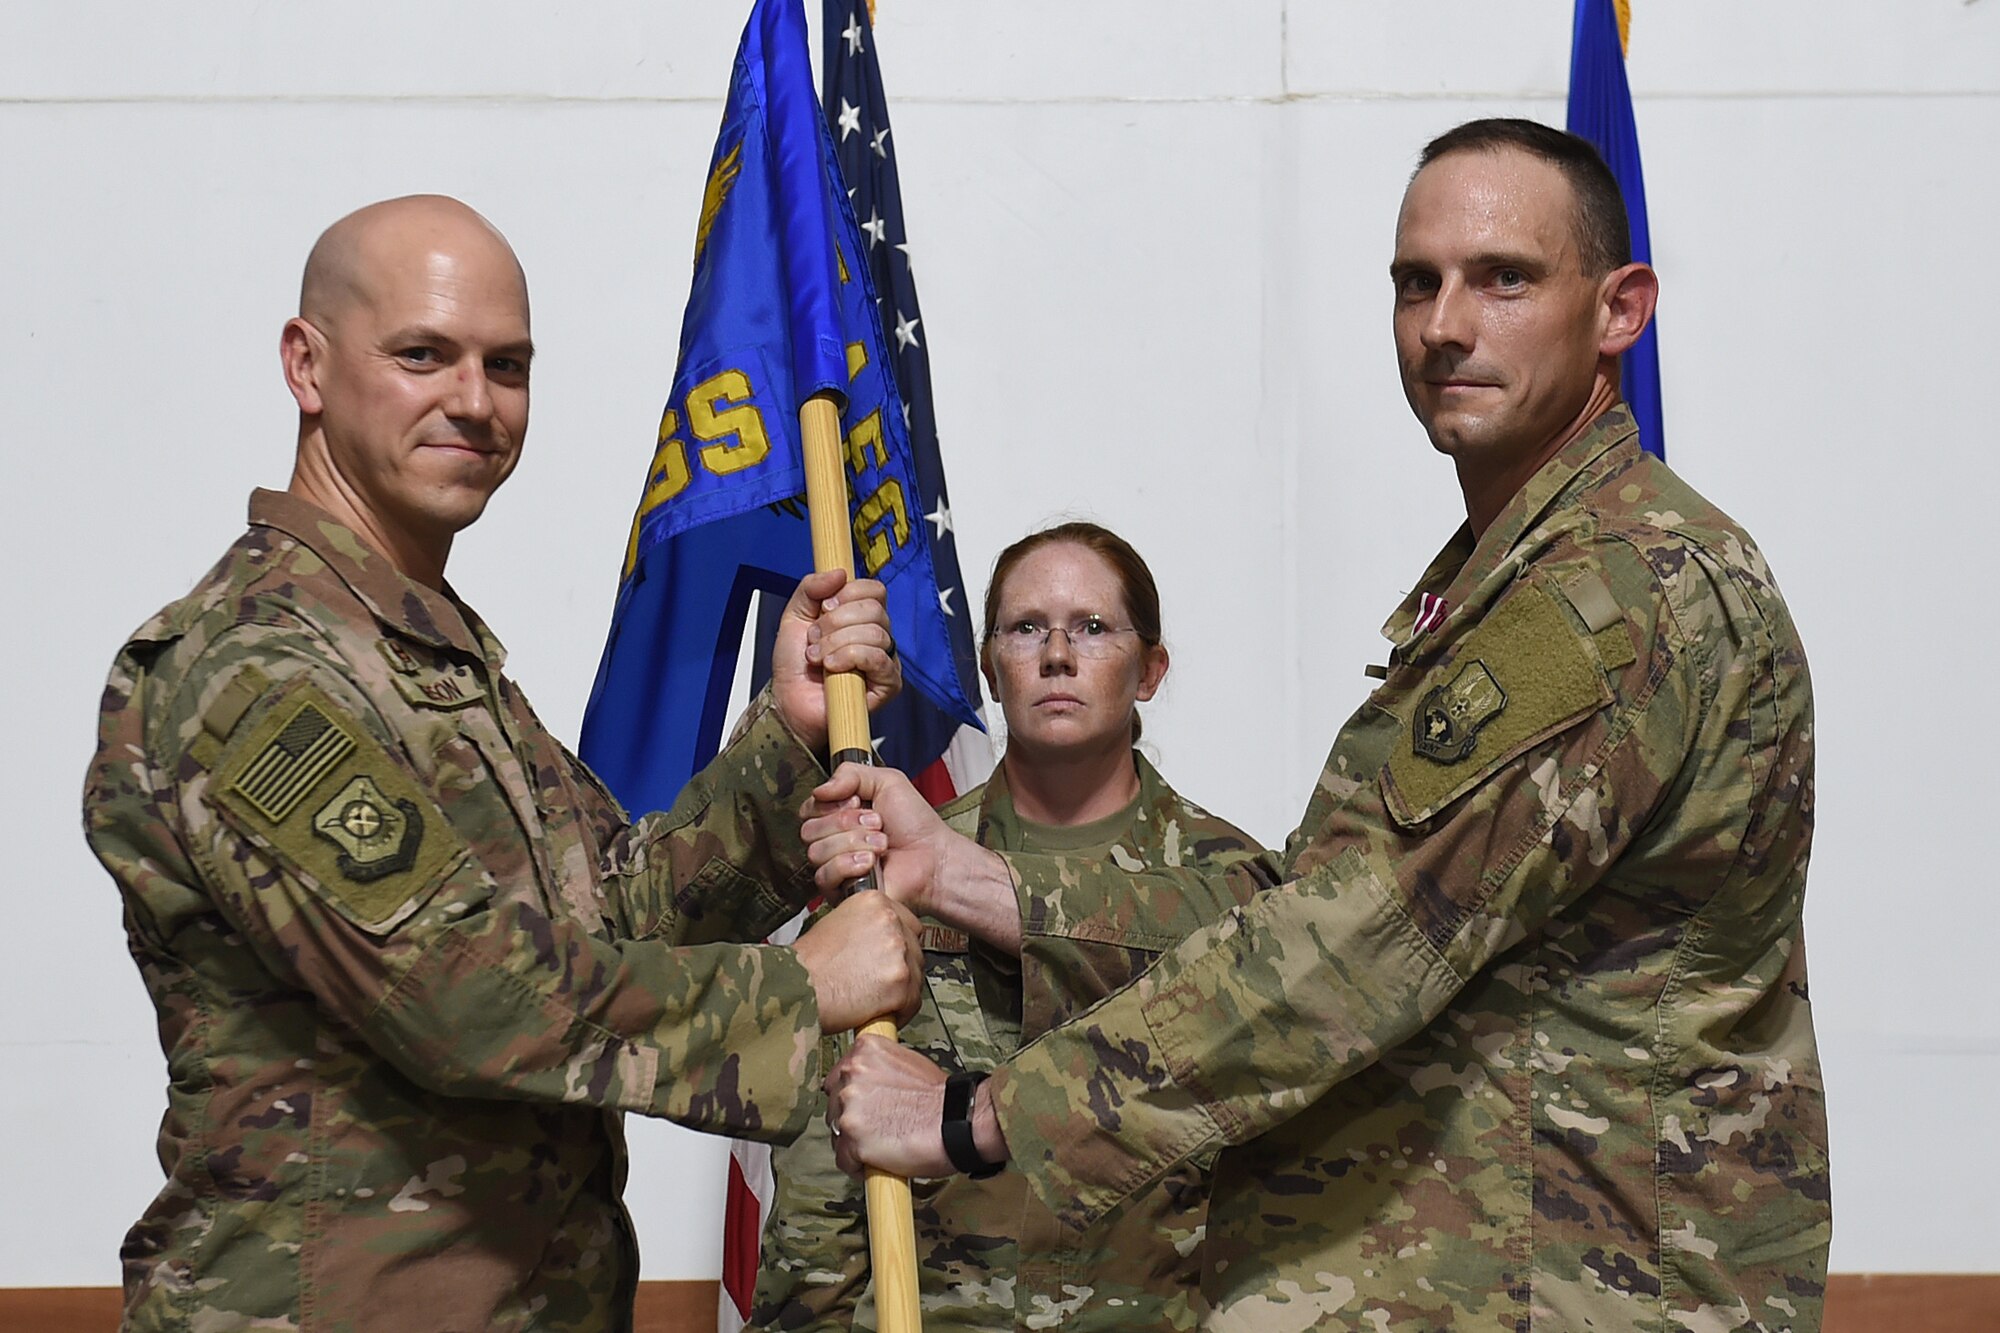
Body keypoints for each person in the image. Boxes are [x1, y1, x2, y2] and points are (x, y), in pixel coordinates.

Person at [808, 119, 1832, 1331]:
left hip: (1572, 1283)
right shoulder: (1514, 582)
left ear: (1618, 309)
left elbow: (1346, 953)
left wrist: (976, 1118)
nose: (1445, 323)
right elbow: (1325, 911)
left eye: (1503, 278)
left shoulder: (1610, 596)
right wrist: (991, 886)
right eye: (1416, 283)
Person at [82, 194, 926, 1333]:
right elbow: (464, 995)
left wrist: (783, 742)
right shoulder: (253, 667)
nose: (474, 402)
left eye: (507, 365)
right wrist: (802, 987)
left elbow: (609, 922)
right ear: (307, 364)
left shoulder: (431, 655)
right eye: (422, 354)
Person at [750, 522, 1280, 1331]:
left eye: (1094, 627)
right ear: (992, 668)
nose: (1057, 654)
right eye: (1026, 628)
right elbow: (825, 1169)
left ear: (1151, 669)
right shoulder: (887, 876)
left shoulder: (1234, 884)